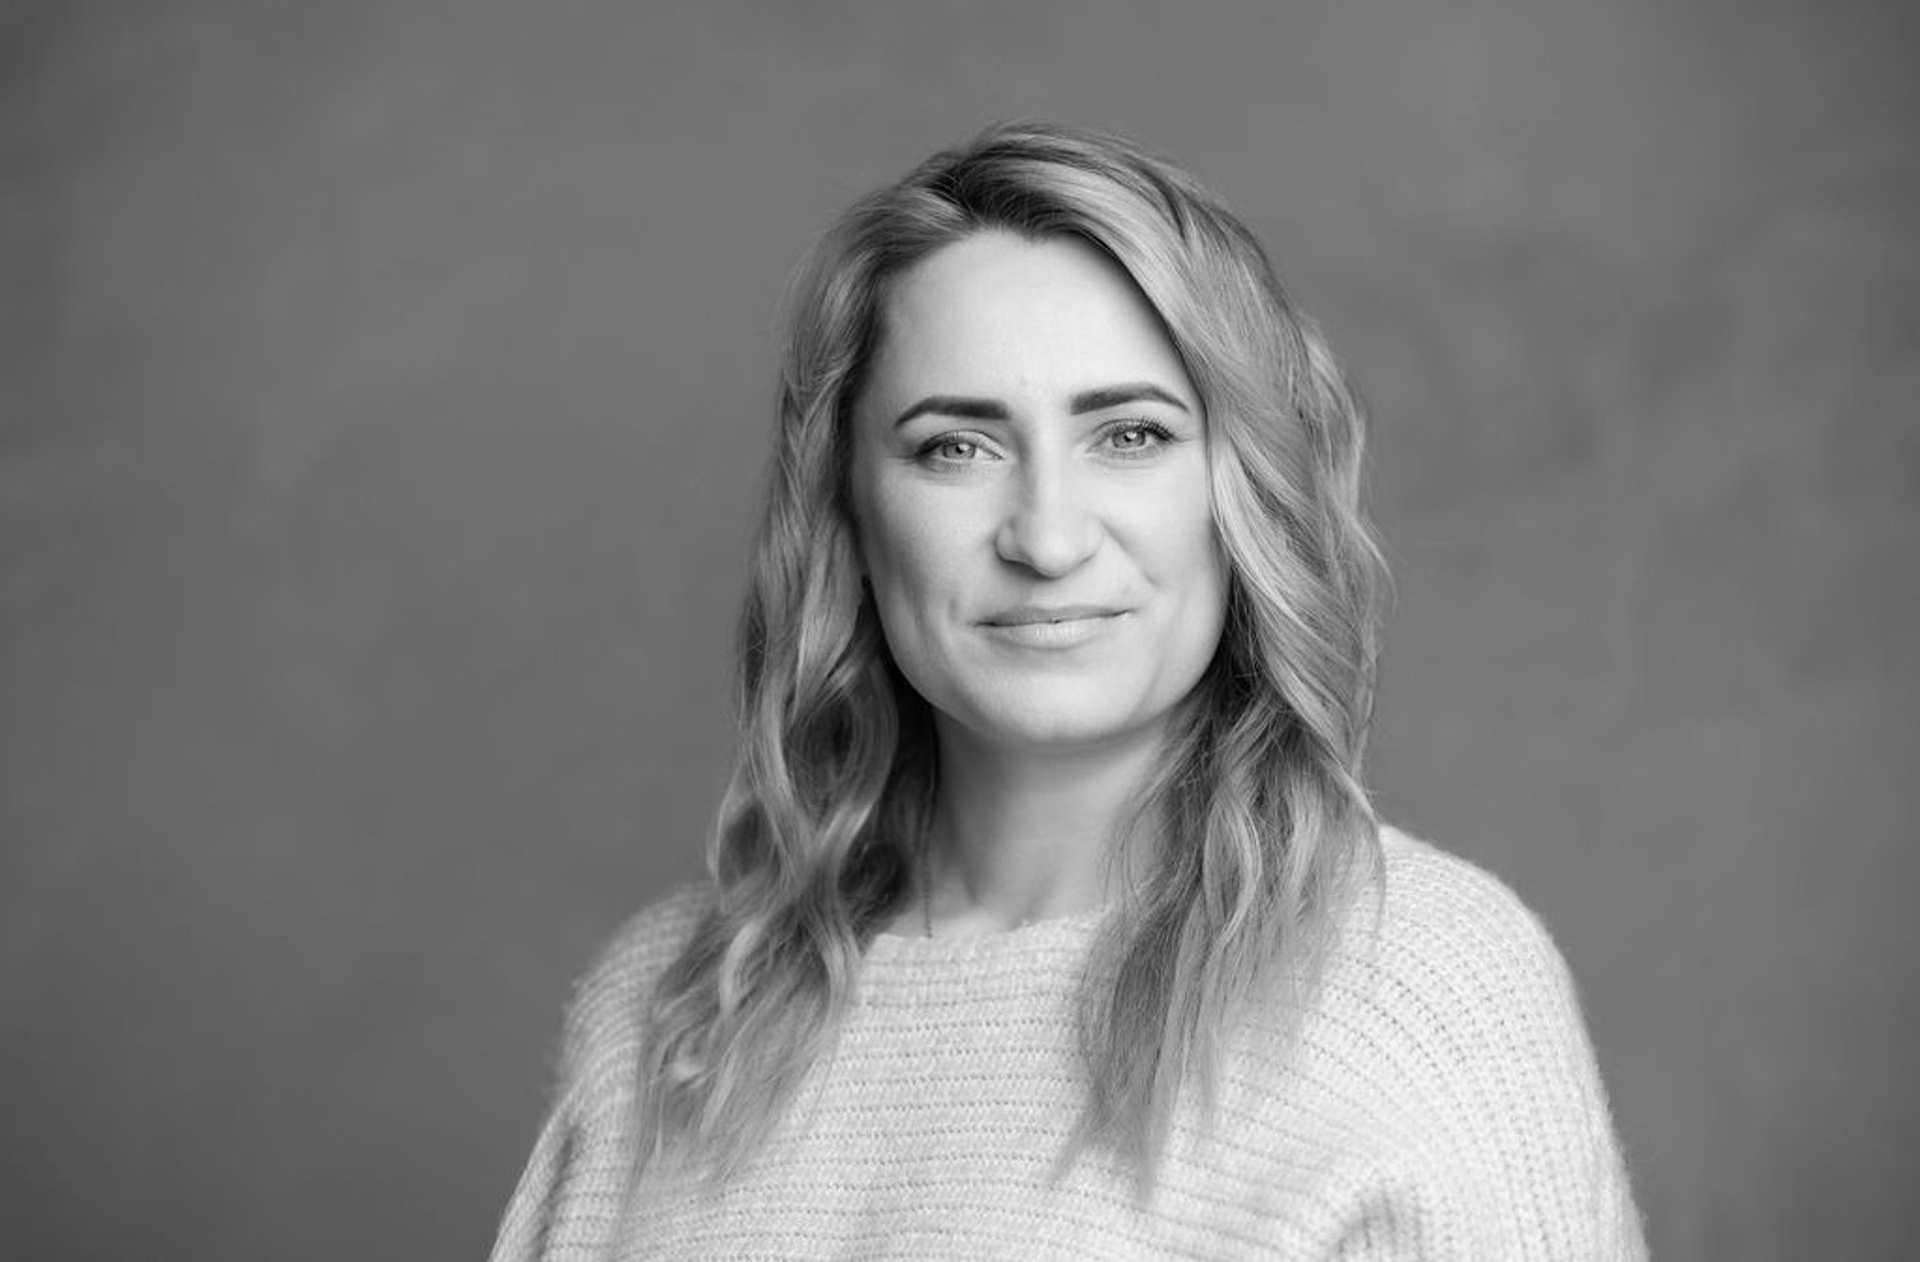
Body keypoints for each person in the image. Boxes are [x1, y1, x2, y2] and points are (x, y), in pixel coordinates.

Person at [489, 122, 1645, 1259]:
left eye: (1130, 434)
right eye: (956, 447)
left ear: (1241, 489)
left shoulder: (1423, 997)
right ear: (850, 512)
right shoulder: (669, 1004)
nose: (1046, 538)